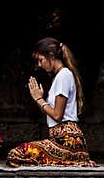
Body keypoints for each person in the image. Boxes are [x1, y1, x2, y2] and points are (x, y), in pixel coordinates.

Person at [6, 37, 97, 167]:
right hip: (62, 139)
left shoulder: (64, 75)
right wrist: (39, 100)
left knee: (15, 155)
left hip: (67, 141)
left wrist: (39, 99)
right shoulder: (61, 76)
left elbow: (57, 115)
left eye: (40, 60)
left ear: (51, 56)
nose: (39, 65)